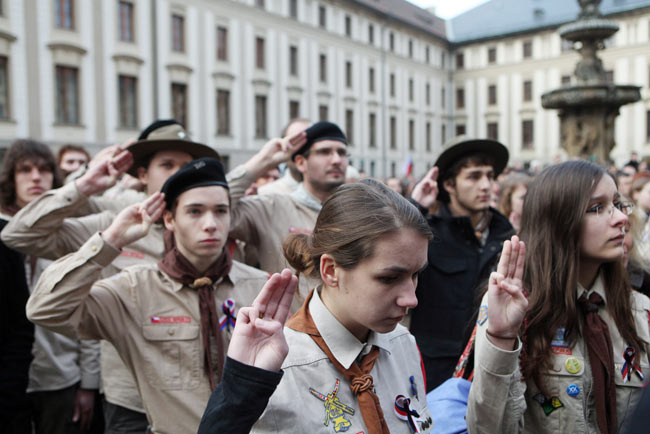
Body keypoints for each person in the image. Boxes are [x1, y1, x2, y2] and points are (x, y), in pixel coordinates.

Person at [2, 119, 220, 434]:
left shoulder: (213, 224)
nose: (179, 173)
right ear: (142, 174)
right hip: (131, 399)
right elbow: (19, 235)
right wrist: (85, 185)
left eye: (187, 165)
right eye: (167, 164)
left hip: (199, 398)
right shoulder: (114, 218)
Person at [26, 158, 270, 433]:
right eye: (195, 211)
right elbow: (44, 309)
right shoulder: (133, 291)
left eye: (221, 211)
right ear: (169, 219)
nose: (211, 224)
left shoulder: (261, 287)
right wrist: (110, 241)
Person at [227, 179, 433, 433]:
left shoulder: (402, 344)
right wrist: (239, 389)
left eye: (415, 275)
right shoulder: (278, 368)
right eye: (389, 278)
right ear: (331, 270)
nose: (411, 299)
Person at [467, 160, 650, 433]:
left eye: (617, 204)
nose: (621, 218)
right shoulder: (515, 308)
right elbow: (487, 428)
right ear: (558, 222)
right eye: (598, 208)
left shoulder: (640, 310)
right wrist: (501, 338)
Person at [0, 139, 101, 434]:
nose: (35, 177)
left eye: (44, 170)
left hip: (60, 375)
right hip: (10, 376)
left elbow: (88, 309)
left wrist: (89, 383)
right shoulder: (3, 229)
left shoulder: (72, 231)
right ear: (11, 177)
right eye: (25, 170)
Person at [409, 137, 514, 391]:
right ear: (449, 184)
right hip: (438, 373)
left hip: (492, 368)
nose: (486, 185)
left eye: (490, 176)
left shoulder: (506, 234)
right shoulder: (426, 233)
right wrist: (414, 207)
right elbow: (388, 256)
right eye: (474, 176)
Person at [226, 121, 347, 304]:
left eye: (342, 152)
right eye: (324, 152)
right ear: (300, 162)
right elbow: (214, 207)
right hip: (289, 329)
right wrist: (262, 162)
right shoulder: (272, 207)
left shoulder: (359, 212)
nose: (336, 159)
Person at [256, 118, 311, 196]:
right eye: (296, 142)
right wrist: (263, 159)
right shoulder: (268, 195)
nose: (305, 150)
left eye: (310, 143)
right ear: (283, 147)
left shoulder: (332, 192)